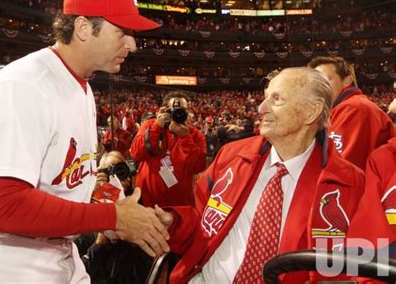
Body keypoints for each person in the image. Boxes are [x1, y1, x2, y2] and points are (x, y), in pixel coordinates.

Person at [0, 0, 170, 284]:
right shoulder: (24, 85)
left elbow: (67, 181)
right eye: (122, 31)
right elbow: (2, 206)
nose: (133, 45)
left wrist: (124, 210)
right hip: (9, 259)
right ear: (83, 27)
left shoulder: (81, 87)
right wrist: (113, 217)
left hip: (57, 248)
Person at [154, 68, 365, 283]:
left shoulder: (351, 185)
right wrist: (174, 222)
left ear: (311, 112)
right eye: (265, 98)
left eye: (277, 99)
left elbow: (361, 266)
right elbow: (199, 220)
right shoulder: (230, 156)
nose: (261, 108)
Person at [78, 150, 152, 284]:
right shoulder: (83, 219)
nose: (118, 179)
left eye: (122, 171)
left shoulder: (137, 207)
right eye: (113, 173)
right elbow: (77, 272)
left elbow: (146, 266)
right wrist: (98, 245)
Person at [307, 56, 394, 170]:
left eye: (326, 80)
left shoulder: (354, 108)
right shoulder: (343, 107)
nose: (320, 87)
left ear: (347, 81)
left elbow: (340, 170)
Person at [131, 91, 207, 207]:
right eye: (174, 110)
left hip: (179, 204)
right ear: (165, 109)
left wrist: (185, 138)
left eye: (182, 110)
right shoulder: (149, 125)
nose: (178, 113)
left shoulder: (195, 134)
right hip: (148, 202)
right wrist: (157, 126)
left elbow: (197, 167)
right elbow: (137, 154)